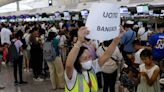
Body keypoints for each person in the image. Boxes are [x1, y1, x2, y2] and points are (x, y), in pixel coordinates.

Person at [65, 26, 125, 92]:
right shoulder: (72, 73)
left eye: (89, 57)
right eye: (85, 58)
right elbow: (68, 65)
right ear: (77, 60)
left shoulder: (92, 67)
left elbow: (107, 55)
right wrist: (79, 42)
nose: (88, 60)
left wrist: (116, 39)